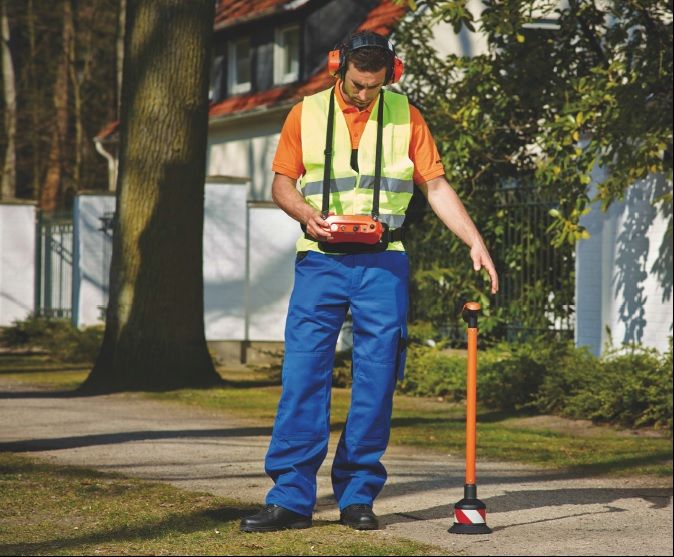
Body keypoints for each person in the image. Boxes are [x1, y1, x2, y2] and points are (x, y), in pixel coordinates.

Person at [240, 30, 498, 533]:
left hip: (384, 264)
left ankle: (358, 496)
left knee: (377, 382)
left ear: (390, 74)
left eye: (373, 87)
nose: (363, 94)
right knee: (302, 378)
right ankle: (290, 498)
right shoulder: (306, 113)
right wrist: (307, 214)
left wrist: (475, 240)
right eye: (356, 85)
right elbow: (281, 182)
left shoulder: (407, 116)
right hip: (320, 260)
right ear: (339, 67)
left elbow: (436, 187)